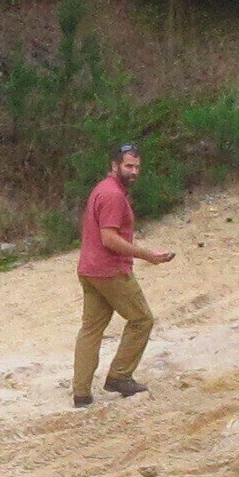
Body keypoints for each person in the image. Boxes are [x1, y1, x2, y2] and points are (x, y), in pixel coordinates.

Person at [73, 141, 173, 407]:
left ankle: (81, 393)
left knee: (91, 330)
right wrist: (147, 255)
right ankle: (119, 376)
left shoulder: (103, 190)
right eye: (129, 166)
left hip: (89, 268)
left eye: (137, 167)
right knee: (142, 319)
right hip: (110, 270)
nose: (134, 171)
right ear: (114, 165)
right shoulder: (114, 195)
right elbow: (109, 238)